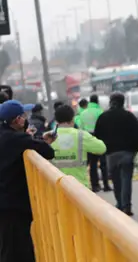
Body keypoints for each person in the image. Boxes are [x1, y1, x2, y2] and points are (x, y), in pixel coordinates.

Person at [0, 100, 56, 262]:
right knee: (15, 250)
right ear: (17, 120)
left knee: (10, 246)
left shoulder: (7, 137)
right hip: (12, 204)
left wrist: (34, 138)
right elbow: (48, 152)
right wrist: (39, 140)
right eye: (24, 116)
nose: (26, 119)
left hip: (5, 203)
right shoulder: (16, 139)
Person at [93, 92, 138, 216]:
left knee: (116, 180)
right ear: (123, 102)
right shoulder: (129, 116)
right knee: (126, 180)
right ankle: (127, 205)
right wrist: (135, 149)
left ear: (110, 102)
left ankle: (119, 203)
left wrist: (103, 151)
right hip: (127, 153)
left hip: (110, 154)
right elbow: (137, 134)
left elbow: (97, 136)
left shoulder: (103, 117)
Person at [51, 104, 107, 186]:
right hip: (80, 187)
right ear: (72, 119)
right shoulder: (81, 135)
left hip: (57, 188)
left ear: (56, 121)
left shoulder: (48, 137)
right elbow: (102, 148)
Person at [78, 94, 111, 193]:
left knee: (92, 164)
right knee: (103, 163)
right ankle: (106, 185)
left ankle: (95, 186)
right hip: (100, 138)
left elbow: (81, 128)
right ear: (97, 102)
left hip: (88, 138)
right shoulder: (100, 112)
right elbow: (105, 126)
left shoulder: (83, 113)